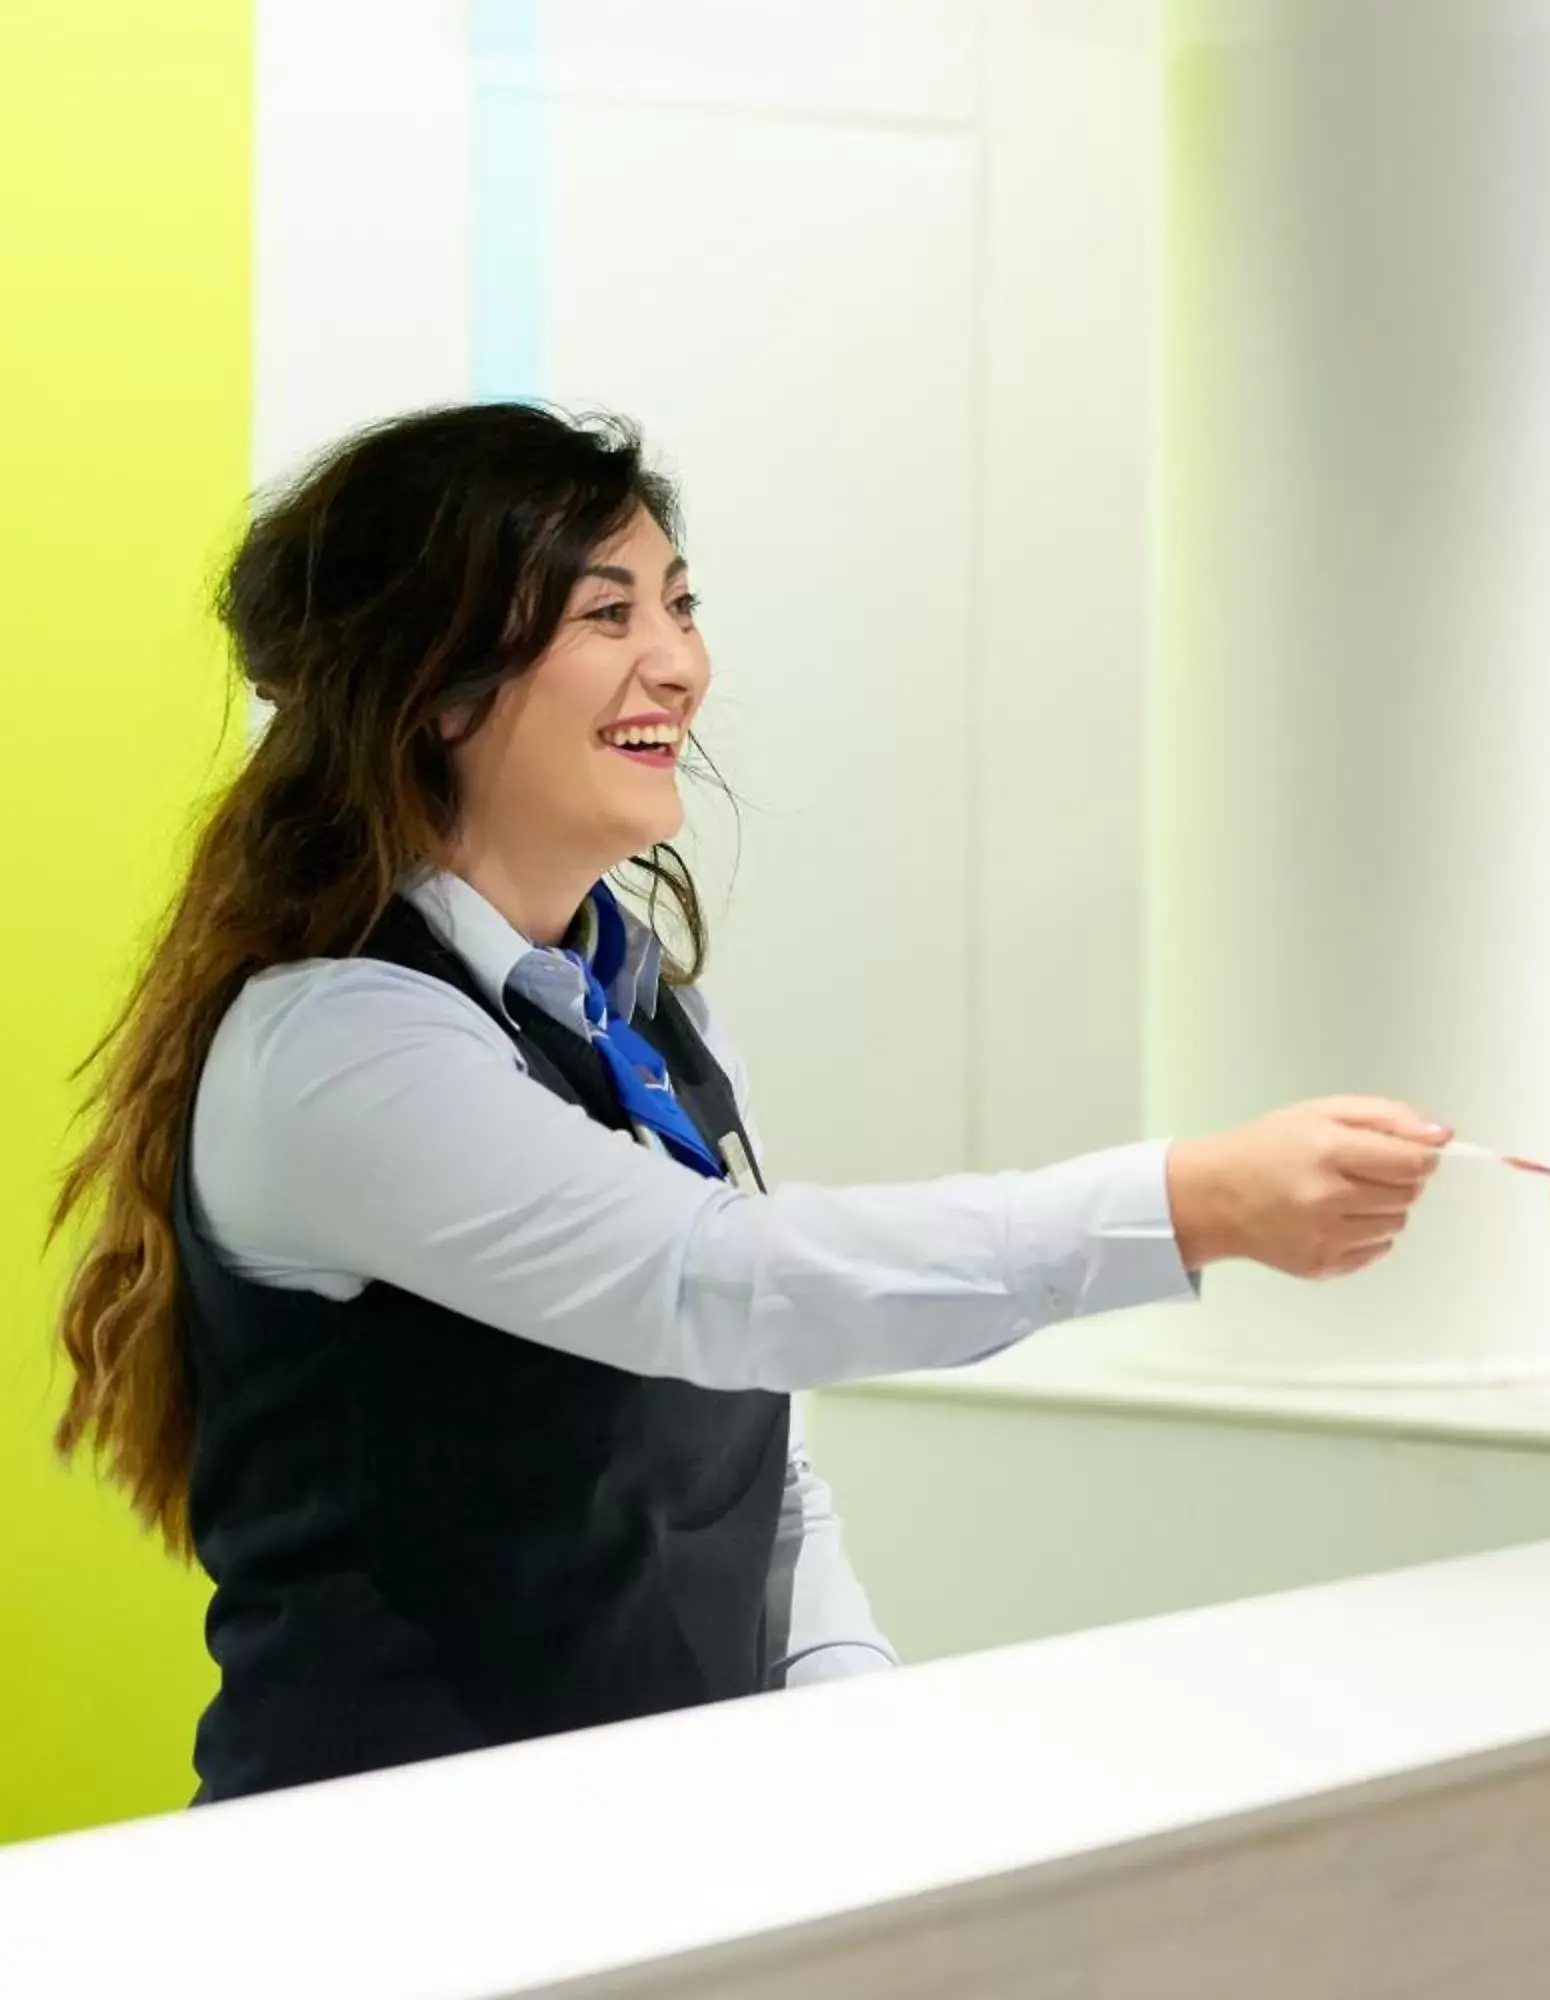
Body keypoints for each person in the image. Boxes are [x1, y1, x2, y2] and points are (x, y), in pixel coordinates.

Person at [49, 402, 1448, 1803]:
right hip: (391, 1875)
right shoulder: (338, 1045)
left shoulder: (639, 1006)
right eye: (607, 615)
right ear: (434, 683)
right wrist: (1188, 1204)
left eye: (679, 603)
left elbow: (752, 1429)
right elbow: (721, 1285)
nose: (678, 665)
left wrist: (847, 1706)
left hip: (664, 1849)